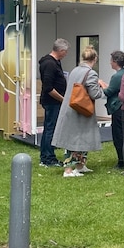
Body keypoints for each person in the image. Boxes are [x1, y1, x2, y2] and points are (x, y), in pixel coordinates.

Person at [52, 46, 104, 178]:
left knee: (79, 138)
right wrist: (102, 87)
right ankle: (68, 170)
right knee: (75, 139)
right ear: (95, 59)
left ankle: (80, 166)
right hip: (80, 110)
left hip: (71, 107)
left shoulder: (75, 70)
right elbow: (94, 93)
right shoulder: (91, 73)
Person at [98, 50, 124, 170]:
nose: (110, 63)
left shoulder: (117, 76)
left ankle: (122, 160)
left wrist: (102, 85)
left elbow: (109, 92)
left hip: (118, 108)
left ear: (115, 62)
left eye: (111, 61)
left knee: (118, 135)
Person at [38, 38, 69, 167]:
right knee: (51, 129)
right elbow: (48, 87)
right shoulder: (50, 64)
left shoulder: (55, 62)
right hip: (52, 102)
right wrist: (63, 99)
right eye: (65, 52)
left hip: (54, 101)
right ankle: (48, 158)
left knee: (49, 128)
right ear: (61, 51)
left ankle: (45, 155)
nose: (66, 54)